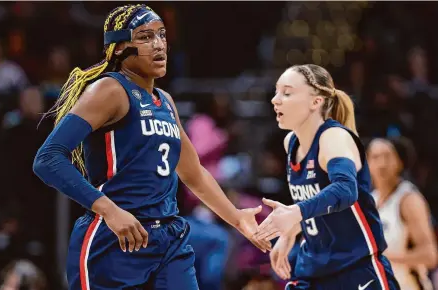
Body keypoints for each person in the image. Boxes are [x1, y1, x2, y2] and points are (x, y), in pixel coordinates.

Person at [33, 4, 270, 290]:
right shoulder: (109, 90)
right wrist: (109, 210)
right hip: (117, 237)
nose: (159, 45)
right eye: (145, 37)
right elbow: (48, 158)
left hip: (168, 238)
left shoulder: (166, 101)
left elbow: (193, 173)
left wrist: (236, 218)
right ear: (119, 48)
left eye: (162, 35)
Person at [253, 64, 400, 289]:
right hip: (314, 269)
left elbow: (345, 190)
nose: (275, 99)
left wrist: (295, 213)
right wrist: (290, 232)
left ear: (316, 101)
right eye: (276, 91)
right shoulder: (290, 142)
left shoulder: (334, 138)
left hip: (356, 270)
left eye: (287, 92)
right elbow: (315, 204)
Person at [367, 137, 437, 290]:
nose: (382, 163)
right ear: (368, 164)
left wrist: (381, 257)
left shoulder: (408, 199)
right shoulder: (371, 200)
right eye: (375, 157)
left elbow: (430, 255)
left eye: (387, 156)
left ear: (399, 162)